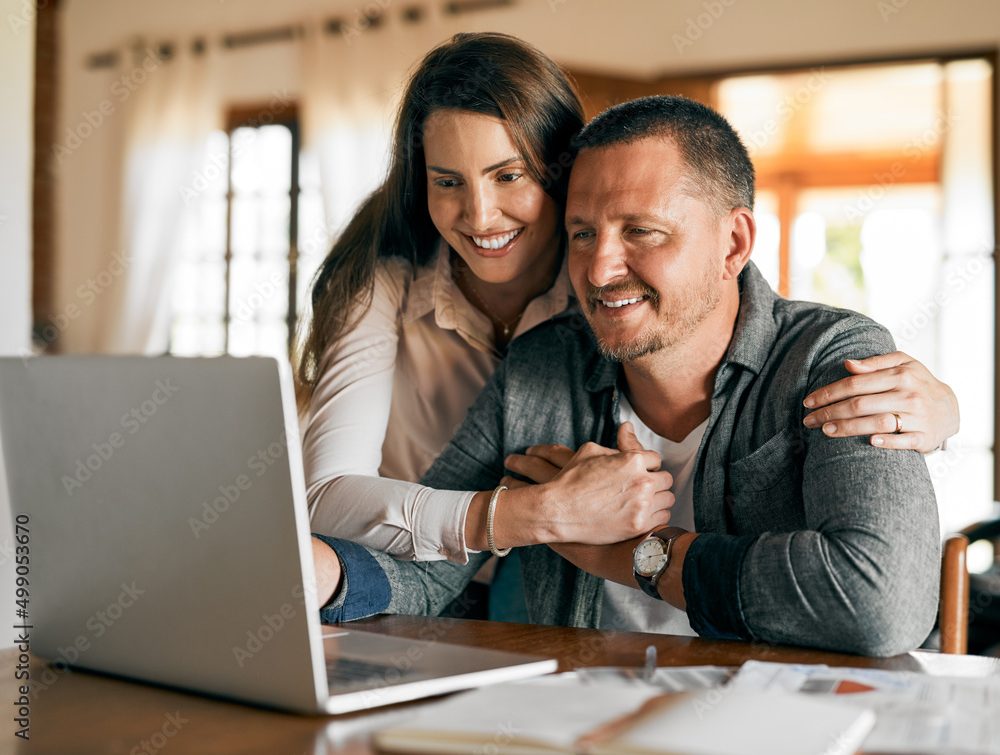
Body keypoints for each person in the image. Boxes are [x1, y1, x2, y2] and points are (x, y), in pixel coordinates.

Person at [300, 32, 956, 618]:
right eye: (583, 233)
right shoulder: (538, 364)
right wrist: (310, 573)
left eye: (641, 231)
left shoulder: (832, 362)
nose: (599, 266)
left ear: (734, 244)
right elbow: (423, 573)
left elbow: (880, 601)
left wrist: (638, 555)